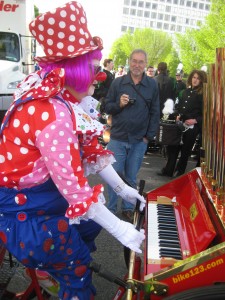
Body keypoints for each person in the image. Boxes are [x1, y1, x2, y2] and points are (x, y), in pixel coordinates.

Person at [0, 2, 146, 300]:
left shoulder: (56, 96)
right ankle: (65, 272)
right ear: (74, 70)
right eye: (93, 68)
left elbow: (88, 149)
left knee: (90, 224)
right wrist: (120, 229)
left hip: (39, 198)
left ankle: (54, 268)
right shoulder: (54, 114)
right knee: (77, 262)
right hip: (24, 215)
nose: (97, 76)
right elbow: (76, 191)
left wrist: (123, 188)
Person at [104, 49, 160, 221]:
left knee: (130, 176)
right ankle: (110, 208)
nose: (137, 65)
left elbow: (155, 112)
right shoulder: (118, 83)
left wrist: (148, 136)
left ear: (146, 64)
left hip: (139, 140)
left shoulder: (152, 85)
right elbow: (106, 107)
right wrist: (119, 105)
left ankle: (128, 208)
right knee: (114, 174)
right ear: (129, 62)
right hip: (118, 137)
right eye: (134, 61)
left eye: (141, 62)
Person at [157, 69, 206, 177]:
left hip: (193, 126)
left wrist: (196, 120)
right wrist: (178, 114)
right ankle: (168, 170)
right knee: (173, 147)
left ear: (202, 80)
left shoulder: (203, 95)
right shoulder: (185, 92)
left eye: (198, 78)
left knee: (185, 150)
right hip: (180, 124)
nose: (195, 80)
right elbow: (179, 107)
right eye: (194, 77)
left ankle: (179, 171)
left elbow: (206, 113)